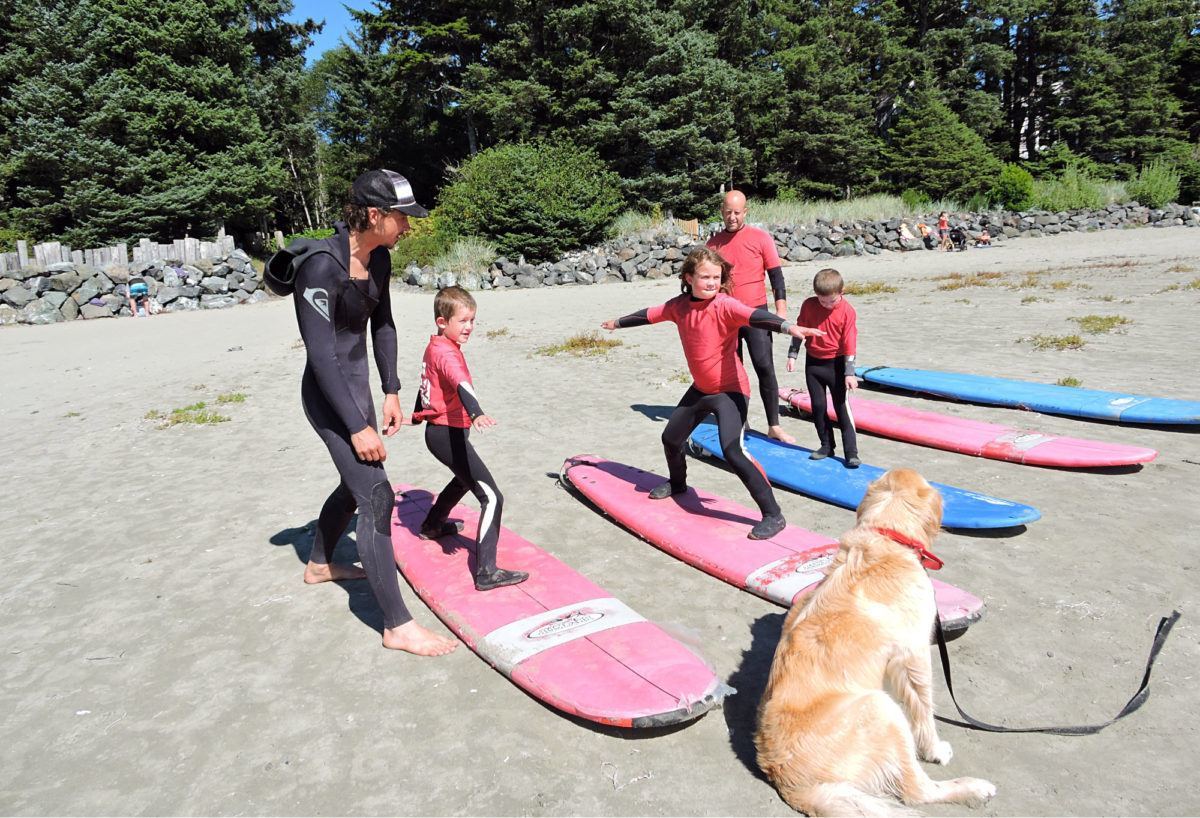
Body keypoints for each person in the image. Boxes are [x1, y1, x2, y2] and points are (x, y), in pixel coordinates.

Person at [292, 168, 458, 656]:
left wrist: (390, 390)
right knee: (377, 495)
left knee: (354, 483)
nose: (408, 228)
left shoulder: (380, 259)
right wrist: (356, 425)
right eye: (401, 219)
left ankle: (321, 562)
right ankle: (397, 625)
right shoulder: (320, 267)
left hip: (361, 393)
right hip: (329, 398)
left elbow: (383, 326)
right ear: (373, 214)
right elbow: (322, 356)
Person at [600, 247, 825, 540]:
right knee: (670, 439)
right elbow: (649, 315)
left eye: (716, 277)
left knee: (732, 450)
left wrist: (787, 327)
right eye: (705, 277)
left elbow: (754, 315)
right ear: (689, 278)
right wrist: (618, 323)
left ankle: (773, 514)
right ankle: (678, 484)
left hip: (730, 391)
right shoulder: (679, 306)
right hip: (701, 388)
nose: (711, 283)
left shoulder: (725, 305)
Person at [410, 286, 529, 592]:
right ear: (441, 321)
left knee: (464, 478)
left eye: (473, 320)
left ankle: (433, 524)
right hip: (446, 434)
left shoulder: (435, 345)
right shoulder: (448, 353)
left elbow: (428, 383)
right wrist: (476, 413)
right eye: (462, 321)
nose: (469, 327)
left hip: (440, 433)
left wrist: (416, 413)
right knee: (491, 497)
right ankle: (487, 572)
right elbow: (460, 383)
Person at [706, 190, 794, 443]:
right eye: (727, 212)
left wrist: (781, 313)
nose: (732, 217)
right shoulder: (713, 245)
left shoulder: (760, 238)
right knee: (733, 373)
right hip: (725, 318)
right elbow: (706, 283)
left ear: (745, 212)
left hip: (756, 314)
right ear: (722, 211)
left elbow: (776, 277)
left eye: (737, 212)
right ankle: (740, 422)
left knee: (764, 367)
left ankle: (774, 425)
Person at [787, 268, 860, 468]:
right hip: (814, 364)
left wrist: (849, 373)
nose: (827, 305)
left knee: (841, 408)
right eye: (822, 300)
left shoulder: (847, 311)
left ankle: (851, 453)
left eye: (831, 301)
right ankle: (826, 446)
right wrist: (793, 355)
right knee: (818, 408)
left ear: (841, 292)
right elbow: (799, 330)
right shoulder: (809, 306)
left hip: (835, 365)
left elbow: (849, 343)